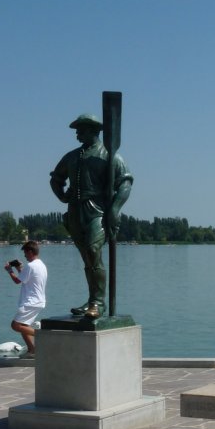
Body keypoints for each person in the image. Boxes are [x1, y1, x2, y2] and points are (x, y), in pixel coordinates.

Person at [49, 114, 133, 318]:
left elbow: (125, 183)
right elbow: (56, 178)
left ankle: (99, 303)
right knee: (87, 257)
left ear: (92, 131)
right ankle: (91, 300)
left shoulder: (110, 156)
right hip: (75, 210)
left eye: (80, 130)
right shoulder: (71, 156)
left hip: (98, 210)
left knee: (93, 250)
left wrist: (114, 209)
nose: (77, 134)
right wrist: (62, 196)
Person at [5, 240, 48, 354]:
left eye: (25, 253)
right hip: (39, 301)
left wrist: (9, 271)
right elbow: (26, 279)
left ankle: (43, 335)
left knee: (15, 325)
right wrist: (19, 269)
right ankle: (32, 350)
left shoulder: (31, 266)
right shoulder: (41, 265)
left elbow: (17, 281)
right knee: (24, 326)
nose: (24, 256)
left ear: (30, 252)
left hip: (31, 302)